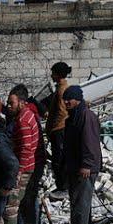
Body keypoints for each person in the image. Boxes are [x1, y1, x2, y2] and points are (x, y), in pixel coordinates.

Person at [60, 86, 103, 224]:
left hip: (85, 168)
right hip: (75, 166)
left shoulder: (86, 116)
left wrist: (87, 165)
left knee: (81, 202)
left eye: (69, 99)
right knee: (78, 201)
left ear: (77, 99)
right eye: (64, 99)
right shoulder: (73, 117)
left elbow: (89, 142)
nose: (66, 102)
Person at [5, 85, 43, 224]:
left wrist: (19, 171)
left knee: (12, 205)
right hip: (29, 166)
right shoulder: (27, 115)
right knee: (26, 203)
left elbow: (27, 148)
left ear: (21, 102)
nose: (8, 106)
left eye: (11, 103)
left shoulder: (23, 120)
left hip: (25, 168)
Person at [44, 62, 73, 190]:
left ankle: (62, 187)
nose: (51, 75)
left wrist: (52, 129)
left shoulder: (62, 90)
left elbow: (62, 112)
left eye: (53, 73)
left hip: (59, 130)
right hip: (59, 130)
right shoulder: (61, 88)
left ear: (58, 74)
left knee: (59, 160)